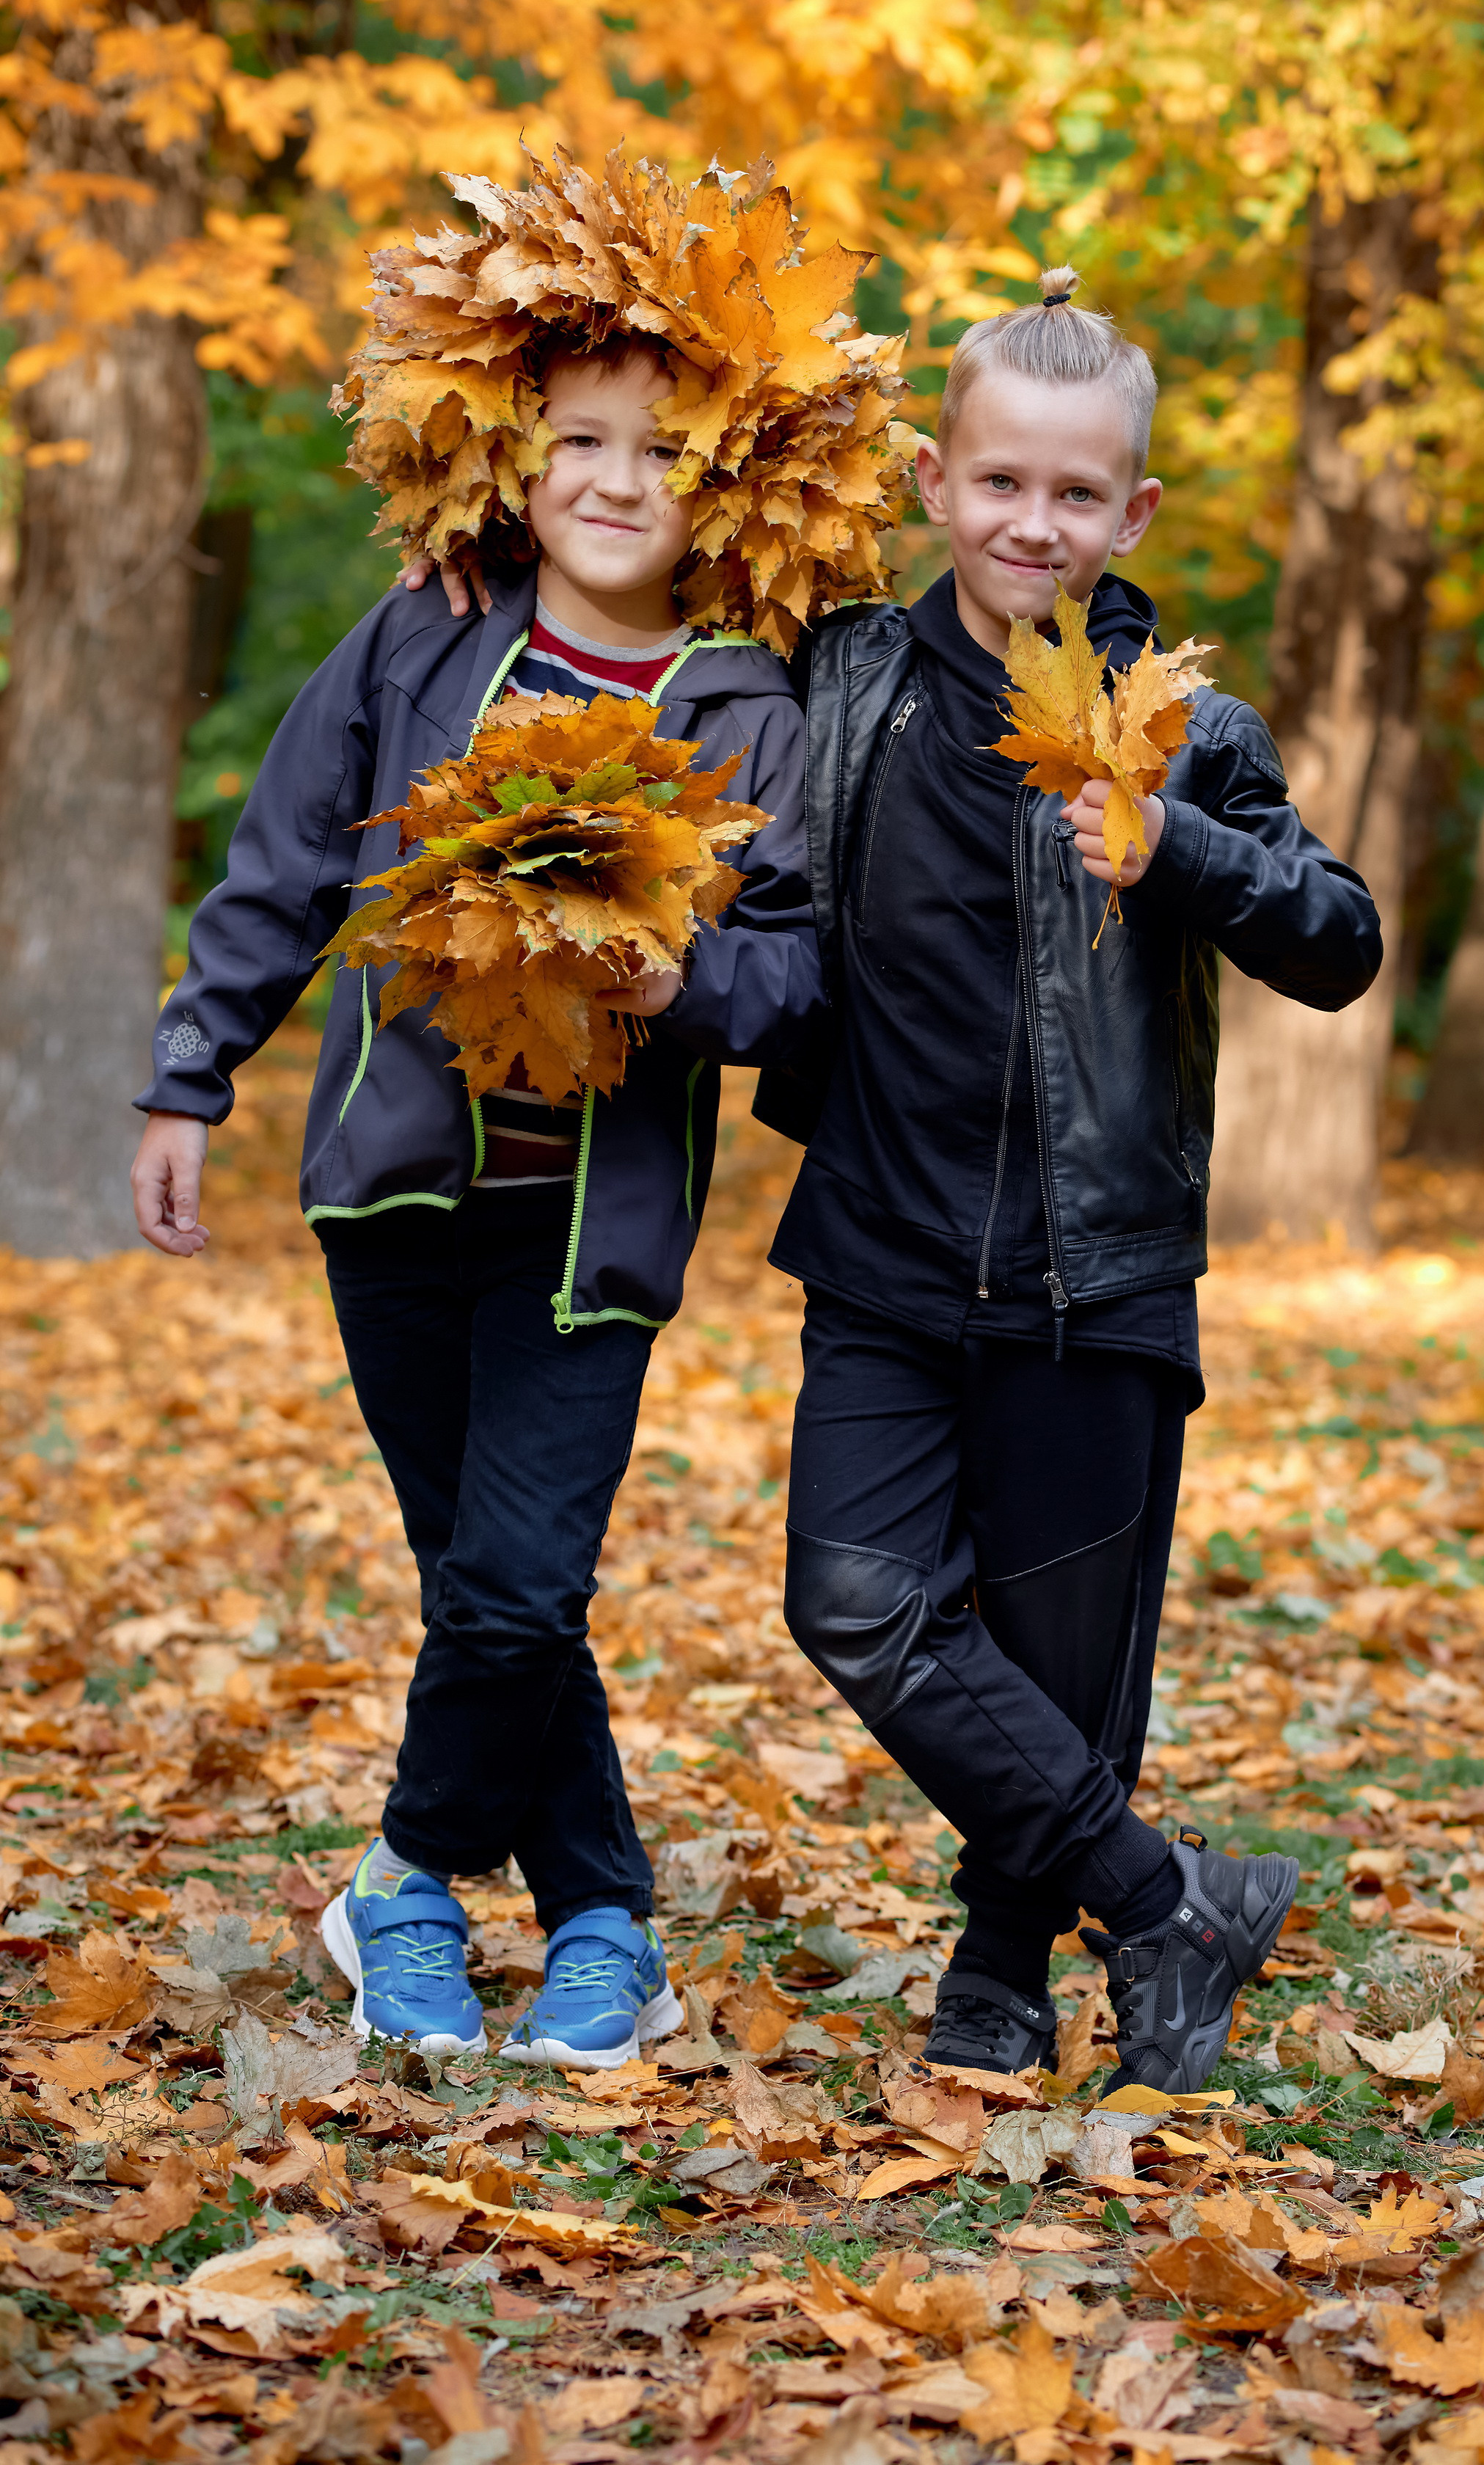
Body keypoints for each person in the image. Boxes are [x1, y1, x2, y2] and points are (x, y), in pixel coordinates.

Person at [131, 151, 909, 2064]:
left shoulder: (753, 705)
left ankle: (399, 1879)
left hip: (593, 1232)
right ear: (513, 442)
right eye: (579, 436)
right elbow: (286, 858)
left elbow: (802, 969)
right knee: (491, 1591)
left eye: (660, 447)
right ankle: (603, 1927)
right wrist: (188, 1076)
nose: (617, 478)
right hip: (391, 1195)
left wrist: (684, 980)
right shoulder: (426, 632)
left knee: (519, 1574)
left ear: (722, 474)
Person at [761, 268, 1384, 2092]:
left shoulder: (1181, 725)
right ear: (939, 482)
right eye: (998, 483)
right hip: (880, 1246)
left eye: (1075, 494)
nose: (1033, 523)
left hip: (1090, 1265)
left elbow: (1339, 940)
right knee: (856, 1602)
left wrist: (1177, 846)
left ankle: (1004, 1956)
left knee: (1057, 1642)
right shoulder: (846, 678)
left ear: (1133, 512)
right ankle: (1165, 1892)